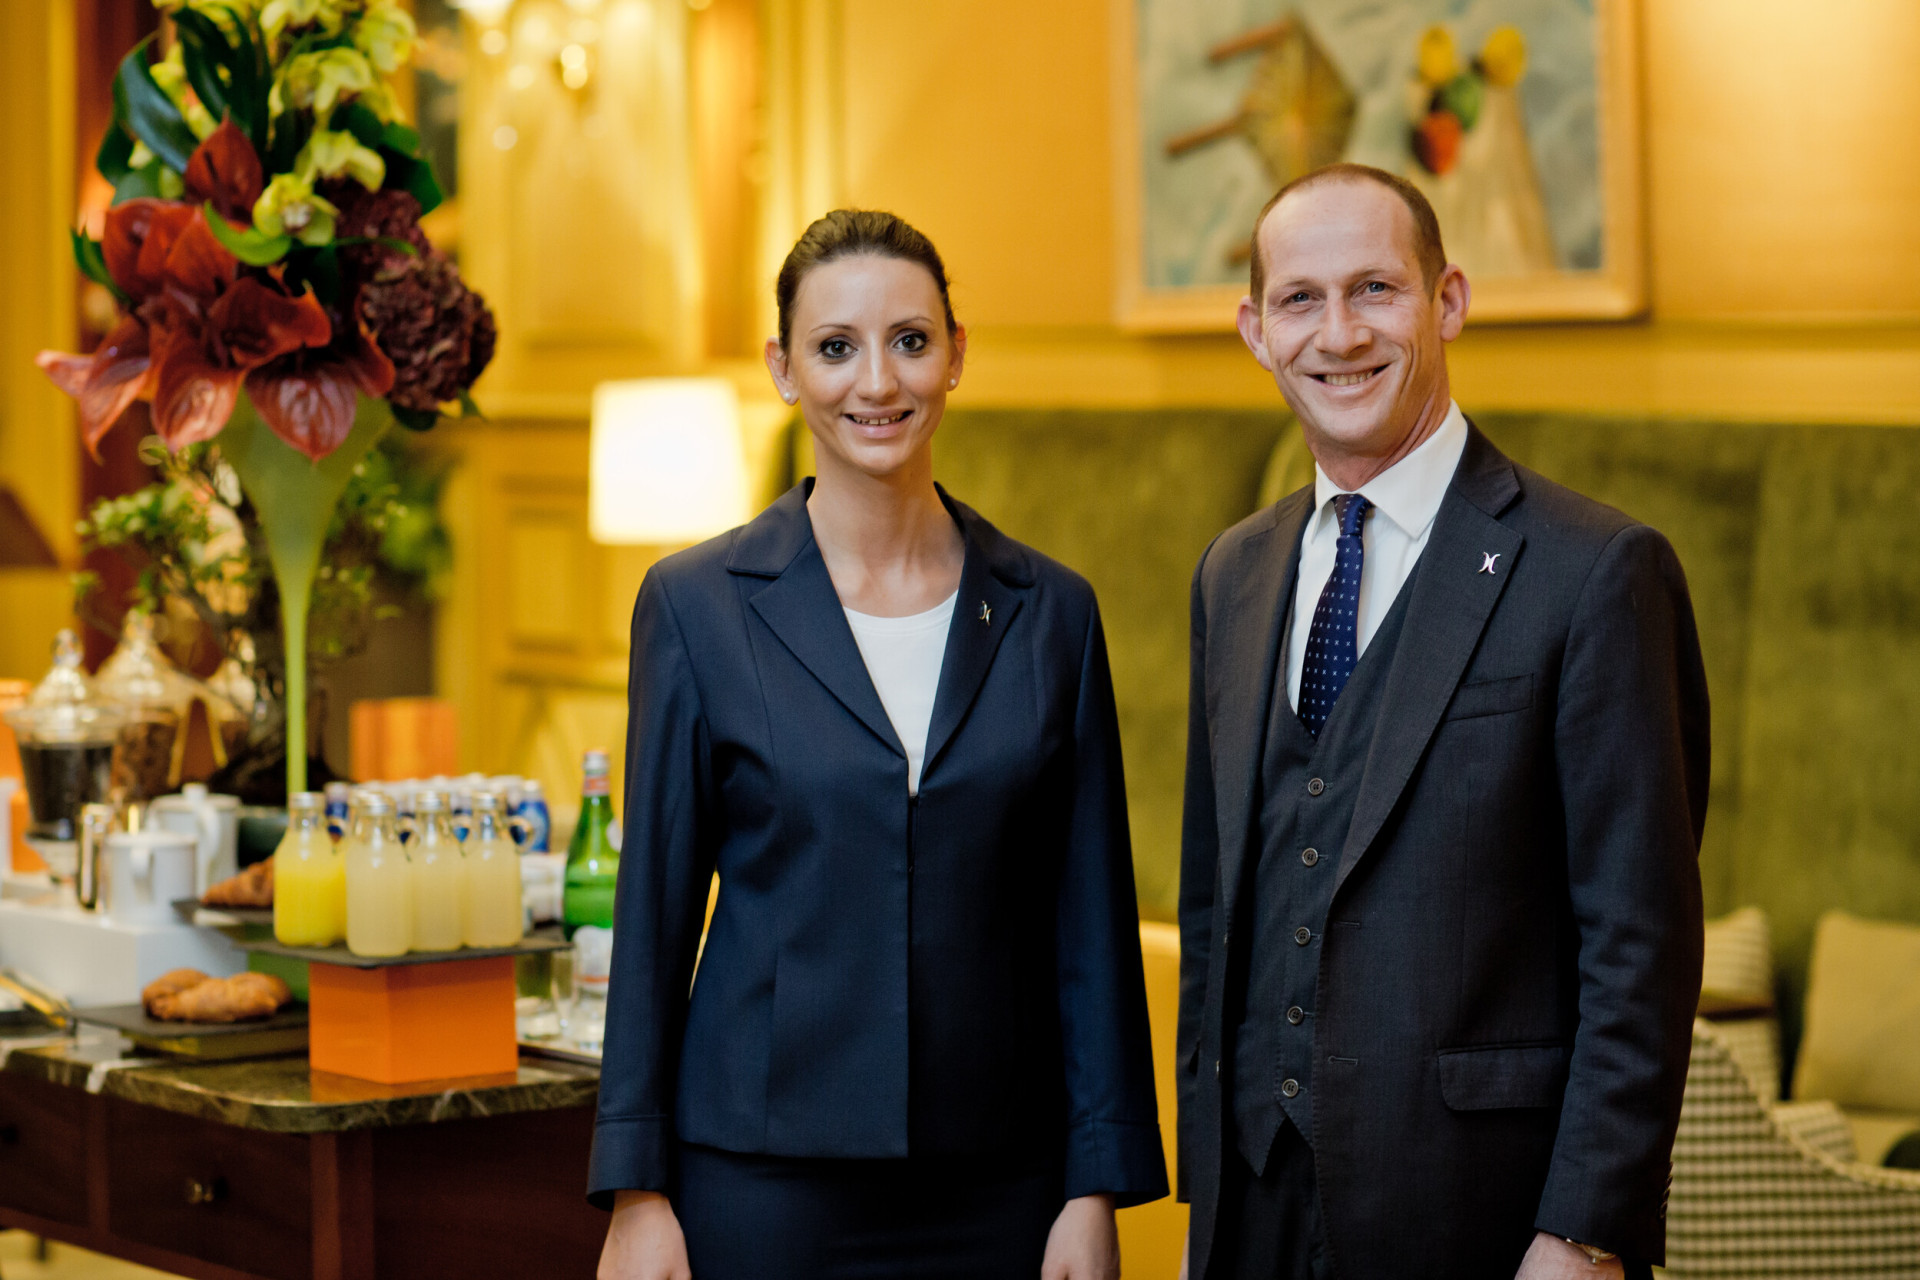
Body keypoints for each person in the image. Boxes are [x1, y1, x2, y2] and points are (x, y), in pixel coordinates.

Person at [591, 209, 1168, 1280]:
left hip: (1001, 1181)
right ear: (783, 368)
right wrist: (637, 1190)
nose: (878, 381)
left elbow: (1087, 919)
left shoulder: (1054, 611)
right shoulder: (693, 606)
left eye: (910, 339)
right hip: (759, 1180)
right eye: (835, 346)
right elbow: (655, 912)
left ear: (958, 353)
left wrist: (1097, 1185)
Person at [1175, 164, 1709, 1280]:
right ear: (1254, 329)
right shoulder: (1232, 573)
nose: (1339, 333)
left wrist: (1584, 1232)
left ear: (1448, 300)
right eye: (1300, 299)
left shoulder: (1596, 570)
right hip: (1254, 1216)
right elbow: (1215, 913)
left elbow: (1640, 945)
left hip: (1489, 1221)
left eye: (1375, 288)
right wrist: (1205, 1206)